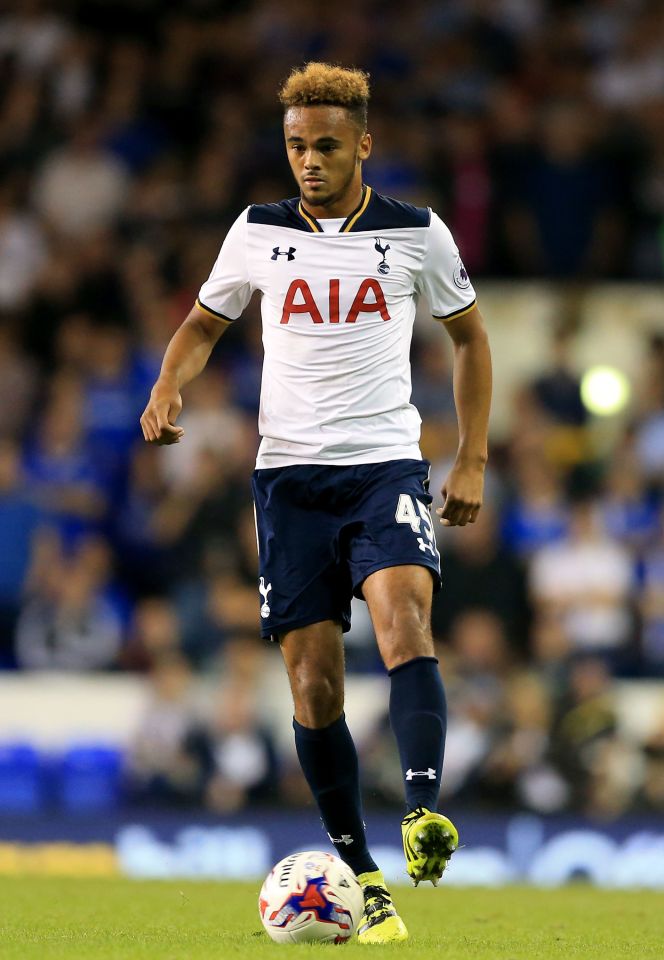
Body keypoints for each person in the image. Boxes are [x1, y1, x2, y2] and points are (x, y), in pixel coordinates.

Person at [141, 62, 491, 944]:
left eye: (326, 145)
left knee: (404, 615)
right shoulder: (256, 232)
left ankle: (421, 812)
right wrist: (169, 384)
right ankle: (366, 879)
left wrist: (470, 455)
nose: (308, 160)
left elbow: (470, 337)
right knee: (311, 681)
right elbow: (203, 323)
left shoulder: (416, 234)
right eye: (296, 145)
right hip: (289, 480)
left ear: (364, 146)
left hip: (384, 466)